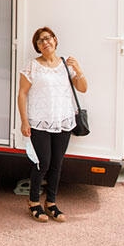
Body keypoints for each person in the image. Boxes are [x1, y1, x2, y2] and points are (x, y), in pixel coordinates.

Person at [17, 27, 87, 222]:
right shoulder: (33, 65)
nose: (45, 42)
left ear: (55, 40)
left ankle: (51, 202)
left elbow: (82, 88)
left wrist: (79, 70)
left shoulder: (66, 64)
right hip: (39, 121)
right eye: (40, 41)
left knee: (57, 163)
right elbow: (22, 94)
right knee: (43, 163)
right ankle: (33, 202)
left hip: (63, 121)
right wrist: (24, 121)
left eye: (48, 38)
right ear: (38, 47)